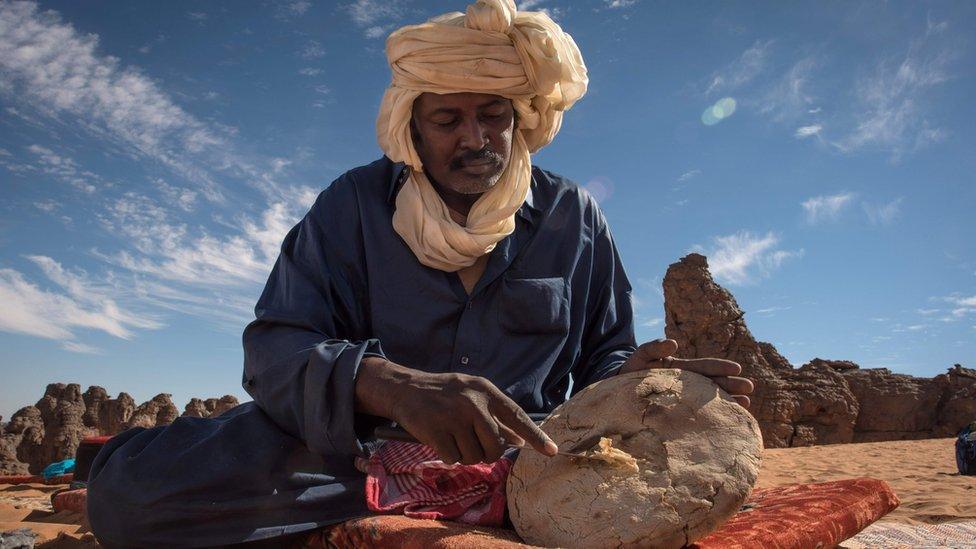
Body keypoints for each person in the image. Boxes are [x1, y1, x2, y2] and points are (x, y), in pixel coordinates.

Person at [86, 1, 753, 546]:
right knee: (130, 496)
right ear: (412, 127)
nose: (474, 137)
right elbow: (272, 350)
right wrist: (394, 386)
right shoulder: (352, 207)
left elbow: (602, 357)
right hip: (353, 459)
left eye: (493, 114)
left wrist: (638, 383)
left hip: (524, 463)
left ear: (519, 118)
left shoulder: (570, 216)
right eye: (447, 119)